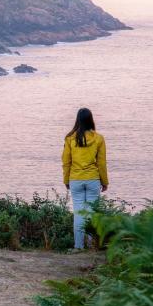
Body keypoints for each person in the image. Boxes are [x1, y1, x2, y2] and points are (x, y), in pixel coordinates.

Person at [62, 107, 108, 250]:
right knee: (90, 213)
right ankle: (90, 245)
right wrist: (104, 181)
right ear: (91, 120)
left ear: (78, 120)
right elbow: (101, 162)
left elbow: (66, 161)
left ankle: (78, 246)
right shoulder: (99, 138)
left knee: (78, 213)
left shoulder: (70, 138)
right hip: (93, 179)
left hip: (75, 179)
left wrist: (66, 180)